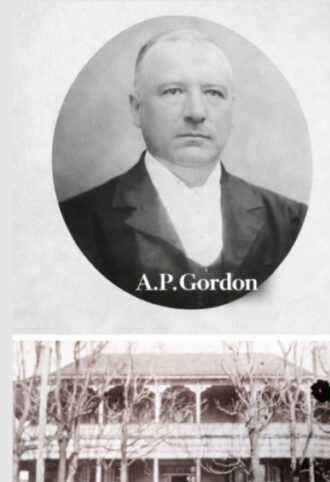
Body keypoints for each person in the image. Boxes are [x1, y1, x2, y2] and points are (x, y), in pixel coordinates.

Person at [58, 29, 306, 309]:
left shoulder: (291, 221)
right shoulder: (76, 222)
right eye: (173, 91)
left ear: (231, 109)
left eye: (213, 93)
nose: (197, 112)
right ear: (136, 109)